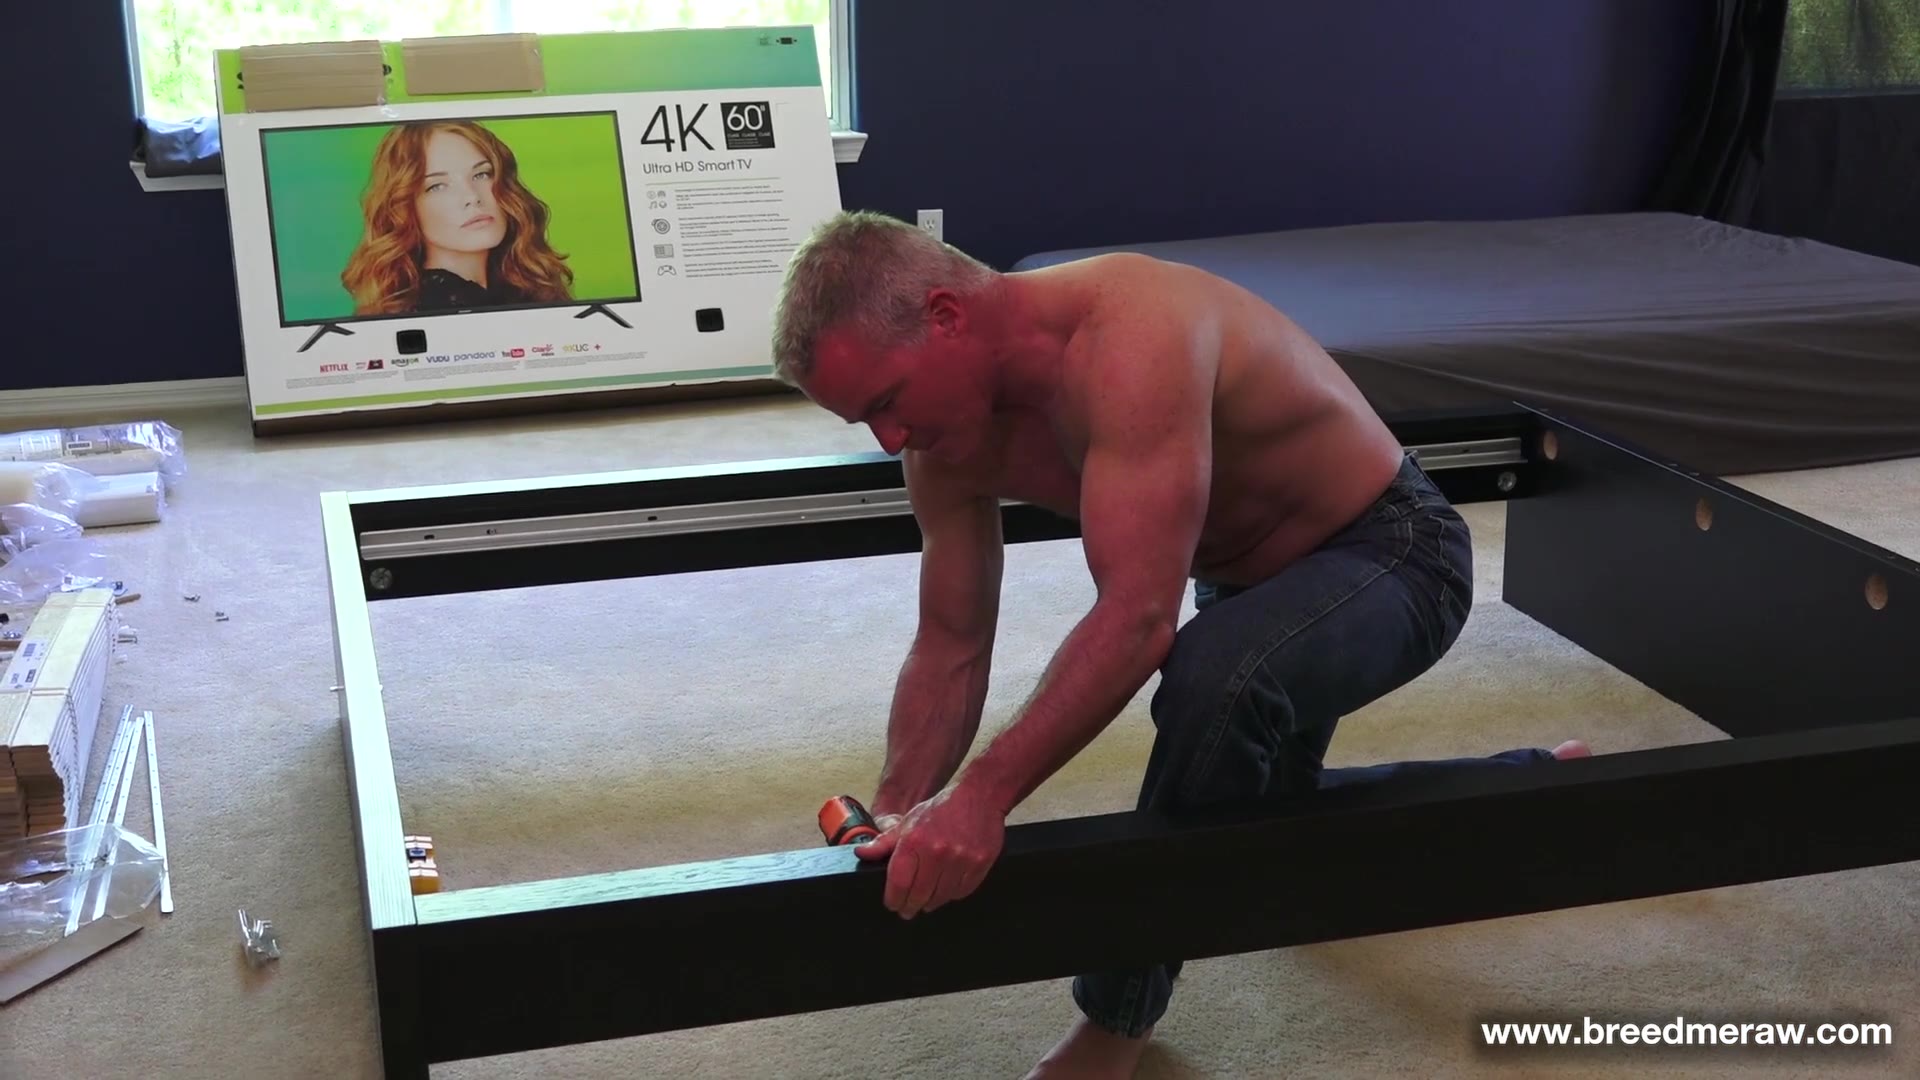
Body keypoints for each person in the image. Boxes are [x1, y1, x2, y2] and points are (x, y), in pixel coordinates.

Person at [768, 211, 1586, 1078]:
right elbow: (951, 642)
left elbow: (1137, 619)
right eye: (864, 420)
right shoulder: (942, 445)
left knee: (1213, 678)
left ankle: (1116, 1022)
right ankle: (1533, 792)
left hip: (1393, 552)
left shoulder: (1131, 332)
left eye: (886, 402)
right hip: (1244, 589)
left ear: (945, 316)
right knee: (1268, 831)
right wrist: (898, 809)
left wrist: (979, 798)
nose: (888, 439)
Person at [341, 120, 575, 315]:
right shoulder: (427, 311)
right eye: (437, 186)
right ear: (404, 208)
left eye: (481, 174)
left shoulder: (521, 288)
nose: (472, 197)